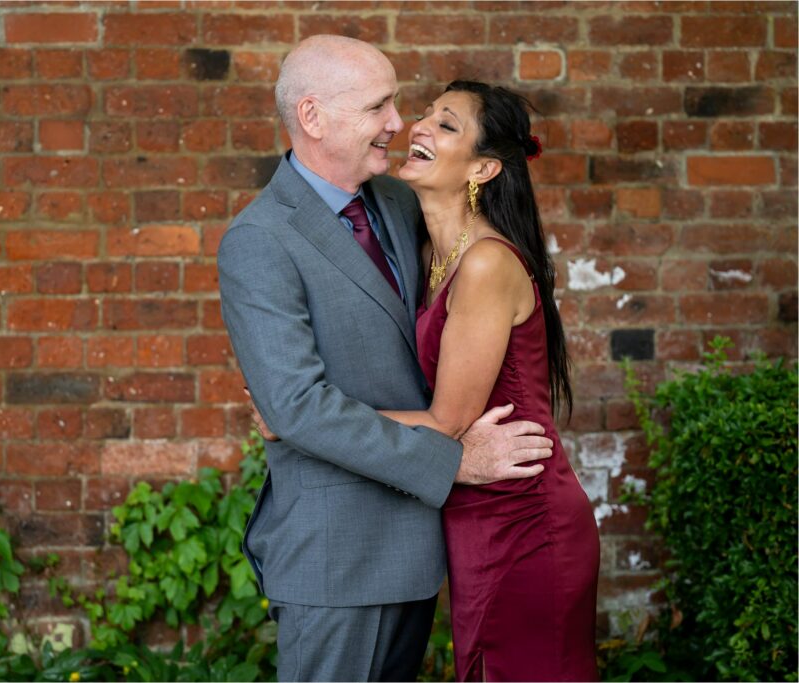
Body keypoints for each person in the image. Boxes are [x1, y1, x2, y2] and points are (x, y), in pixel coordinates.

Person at [217, 35, 554, 682]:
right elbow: (299, 407)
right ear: (313, 117)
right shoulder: (259, 241)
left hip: (417, 551)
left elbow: (457, 327)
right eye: (378, 107)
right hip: (335, 558)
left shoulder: (401, 202)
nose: (397, 123)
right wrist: (453, 460)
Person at [382, 81, 600, 680]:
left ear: (483, 168)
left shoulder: (485, 263)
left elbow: (448, 422)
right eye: (426, 114)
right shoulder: (429, 256)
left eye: (446, 124)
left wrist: (302, 415)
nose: (420, 126)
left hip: (525, 518)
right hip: (472, 512)